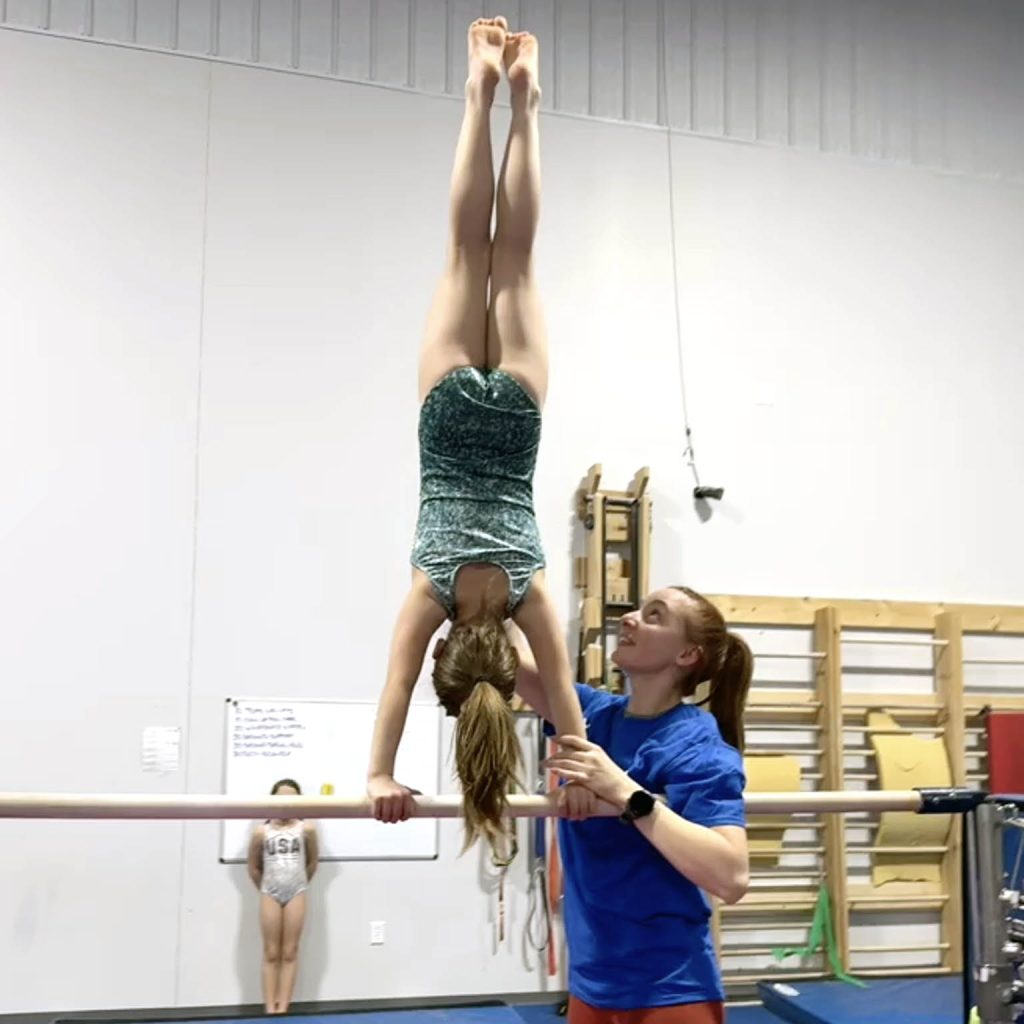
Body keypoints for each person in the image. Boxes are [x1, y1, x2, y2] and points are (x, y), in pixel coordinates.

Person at [366, 15, 587, 851]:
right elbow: (392, 687)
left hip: (517, 416)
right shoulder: (432, 591)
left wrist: (576, 764)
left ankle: (524, 103)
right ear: (450, 656)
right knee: (469, 251)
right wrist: (378, 771)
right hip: (451, 414)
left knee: (516, 255)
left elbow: (564, 703)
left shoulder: (530, 597)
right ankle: (480, 89)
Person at [519, 587, 753, 1024]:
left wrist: (625, 792)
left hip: (670, 991)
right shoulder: (590, 714)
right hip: (591, 984)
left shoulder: (697, 745)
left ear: (687, 654)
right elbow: (509, 661)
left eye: (653, 615)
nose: (629, 618)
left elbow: (732, 876)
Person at [247, 779, 319, 1015]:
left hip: (297, 889)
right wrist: (266, 887)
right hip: (270, 890)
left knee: (289, 951)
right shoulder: (261, 832)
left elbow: (312, 863)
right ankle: (269, 1008)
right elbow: (254, 867)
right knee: (270, 951)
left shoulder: (306, 829)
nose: (286, 804)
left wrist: (298, 883)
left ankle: (283, 1009)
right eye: (281, 799)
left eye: (292, 799)